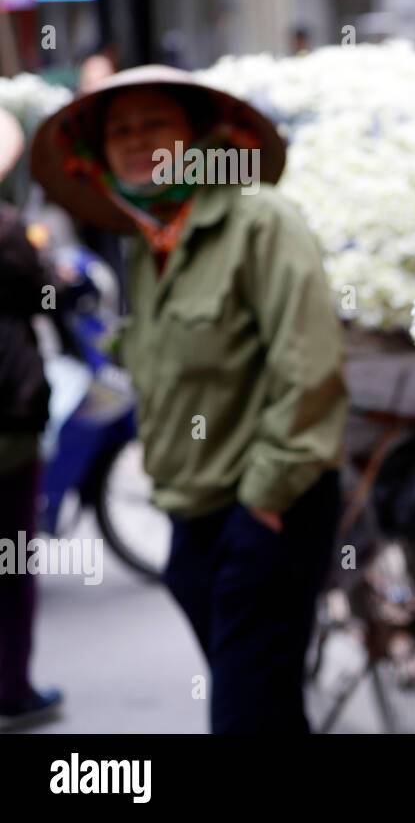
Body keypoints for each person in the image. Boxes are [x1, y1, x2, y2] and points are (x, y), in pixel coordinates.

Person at [31, 67, 349, 733]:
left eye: (155, 124)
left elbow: (309, 368)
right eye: (119, 130)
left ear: (199, 135)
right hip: (190, 513)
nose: (136, 141)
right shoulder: (149, 243)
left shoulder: (261, 222)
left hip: (269, 508)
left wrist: (264, 501)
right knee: (264, 709)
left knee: (242, 717)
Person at [0, 108, 62, 731]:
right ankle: (12, 689)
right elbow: (45, 293)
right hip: (10, 420)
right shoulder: (9, 231)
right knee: (13, 559)